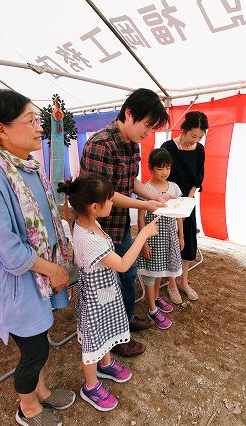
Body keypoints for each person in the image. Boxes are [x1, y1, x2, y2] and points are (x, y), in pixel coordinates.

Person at [0, 89, 75, 426]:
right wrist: (54, 270)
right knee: (34, 349)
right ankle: (26, 407)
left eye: (38, 120)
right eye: (30, 120)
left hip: (37, 277)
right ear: (1, 128)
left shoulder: (27, 167)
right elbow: (7, 250)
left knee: (40, 340)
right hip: (17, 283)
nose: (39, 128)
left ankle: (40, 391)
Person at [80, 88, 172, 357]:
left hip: (119, 226)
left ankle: (126, 320)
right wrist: (147, 204)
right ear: (129, 113)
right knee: (108, 286)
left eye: (153, 128)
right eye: (147, 125)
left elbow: (131, 182)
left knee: (128, 274)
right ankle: (115, 339)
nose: (148, 132)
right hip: (99, 231)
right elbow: (105, 195)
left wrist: (156, 196)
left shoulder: (133, 143)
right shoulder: (101, 144)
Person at [57, 173, 159, 411]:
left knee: (106, 332)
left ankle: (106, 364)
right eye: (110, 199)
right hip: (95, 298)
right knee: (93, 342)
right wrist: (142, 234)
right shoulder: (88, 237)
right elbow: (123, 265)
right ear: (94, 207)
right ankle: (90, 386)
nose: (114, 203)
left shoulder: (89, 222)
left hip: (104, 292)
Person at [160, 111, 207, 303]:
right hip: (169, 201)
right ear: (184, 130)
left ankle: (184, 282)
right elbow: (161, 177)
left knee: (187, 243)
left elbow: (198, 178)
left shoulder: (200, 149)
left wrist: (187, 203)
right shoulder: (168, 147)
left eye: (199, 137)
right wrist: (174, 203)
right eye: (192, 136)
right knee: (172, 243)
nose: (195, 140)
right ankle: (171, 284)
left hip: (187, 201)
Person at [137, 148, 184, 329]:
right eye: (160, 168)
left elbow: (179, 213)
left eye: (167, 168)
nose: (164, 172)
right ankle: (151, 309)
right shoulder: (145, 189)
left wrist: (181, 236)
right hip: (153, 239)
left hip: (169, 238)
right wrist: (144, 243)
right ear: (150, 168)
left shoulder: (174, 188)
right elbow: (141, 218)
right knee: (151, 274)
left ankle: (156, 298)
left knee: (161, 272)